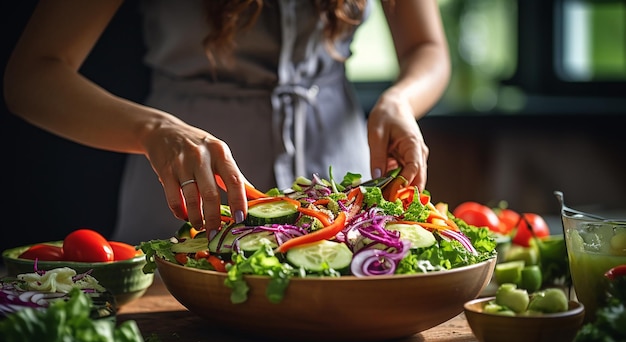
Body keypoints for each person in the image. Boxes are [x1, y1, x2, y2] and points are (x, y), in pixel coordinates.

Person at [4, 0, 450, 244]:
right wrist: (154, 129)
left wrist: (400, 101)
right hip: (187, 188)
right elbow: (32, 75)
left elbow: (426, 47)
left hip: (339, 173)